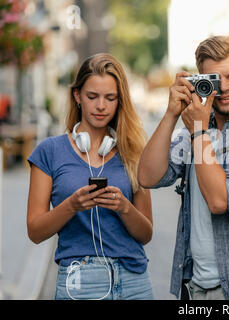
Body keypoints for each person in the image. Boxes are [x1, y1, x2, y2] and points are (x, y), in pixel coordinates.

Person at [138, 35, 229, 300]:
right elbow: (148, 176)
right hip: (194, 285)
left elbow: (220, 200)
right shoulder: (198, 128)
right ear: (201, 82)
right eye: (215, 80)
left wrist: (197, 130)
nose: (225, 87)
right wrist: (171, 113)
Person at [27, 53, 154, 300]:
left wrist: (124, 207)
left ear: (120, 101)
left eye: (110, 98)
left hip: (134, 281)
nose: (101, 106)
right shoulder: (49, 152)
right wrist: (72, 206)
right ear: (77, 96)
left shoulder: (133, 152)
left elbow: (146, 234)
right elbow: (35, 232)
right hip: (79, 283)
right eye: (92, 96)